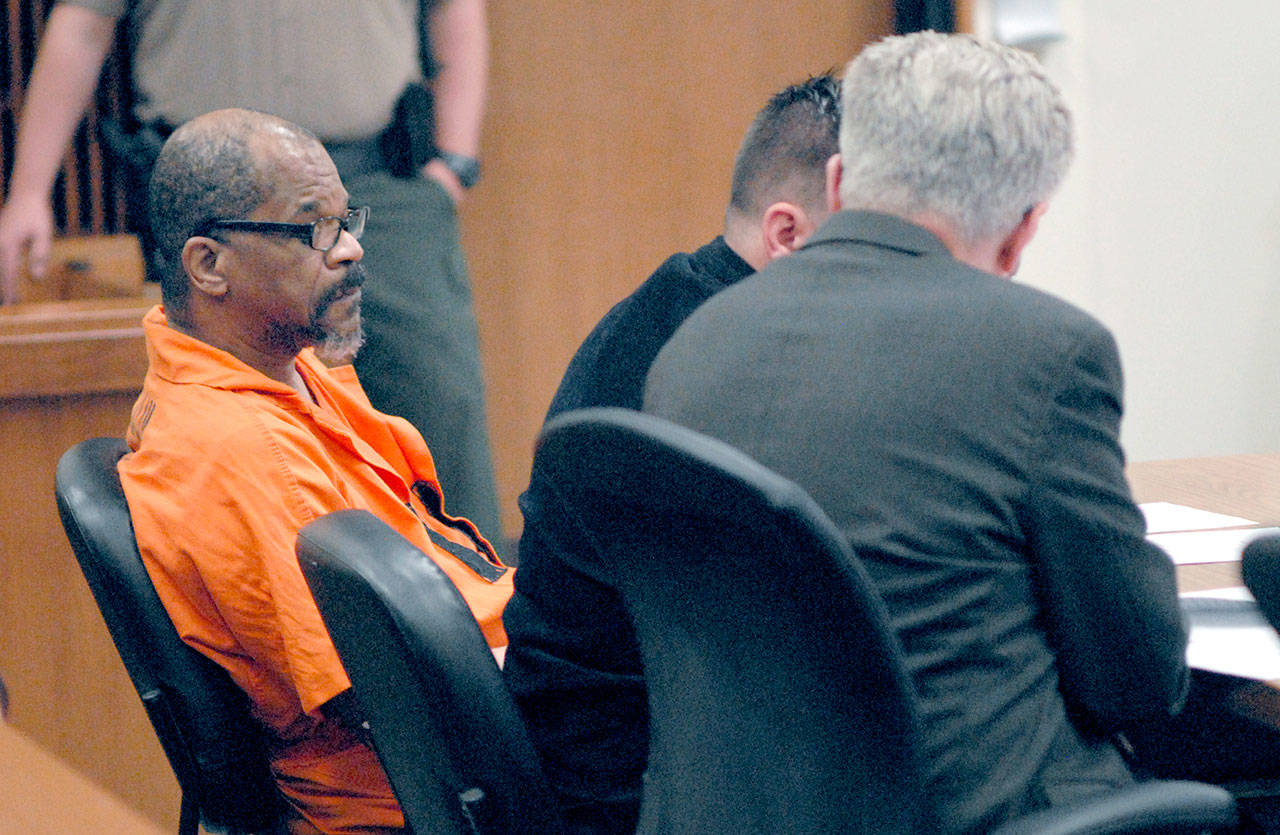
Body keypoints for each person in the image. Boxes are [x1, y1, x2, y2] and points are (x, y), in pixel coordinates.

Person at [642, 32, 1189, 834]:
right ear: (1022, 230)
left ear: (839, 179)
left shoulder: (693, 343)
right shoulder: (1046, 351)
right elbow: (1135, 677)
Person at [116, 108, 514, 835]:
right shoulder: (239, 450)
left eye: (346, 219)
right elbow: (391, 694)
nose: (352, 249)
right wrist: (566, 671)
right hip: (435, 794)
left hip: (468, 671)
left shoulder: (278, 358)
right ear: (208, 265)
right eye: (312, 231)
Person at [0, 0, 503, 540]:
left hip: (379, 189)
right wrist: (29, 190)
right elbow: (84, 22)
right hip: (218, 204)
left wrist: (454, 164)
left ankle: (469, 610)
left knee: (437, 421)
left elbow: (456, 8)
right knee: (230, 444)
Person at [501, 75, 841, 834]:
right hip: (645, 790)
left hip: (598, 756)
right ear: (788, 234)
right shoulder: (740, 372)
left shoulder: (664, 311)